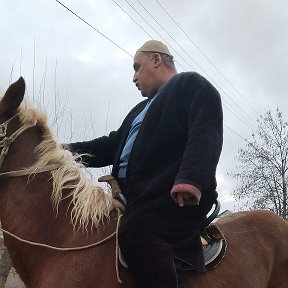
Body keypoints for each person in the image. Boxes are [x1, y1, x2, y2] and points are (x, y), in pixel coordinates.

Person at [64, 40, 223, 288]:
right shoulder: (140, 109)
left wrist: (190, 179)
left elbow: (206, 128)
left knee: (137, 233)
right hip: (138, 200)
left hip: (172, 196)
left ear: (157, 61)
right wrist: (66, 151)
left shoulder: (189, 84)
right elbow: (110, 145)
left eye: (137, 67)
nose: (134, 77)